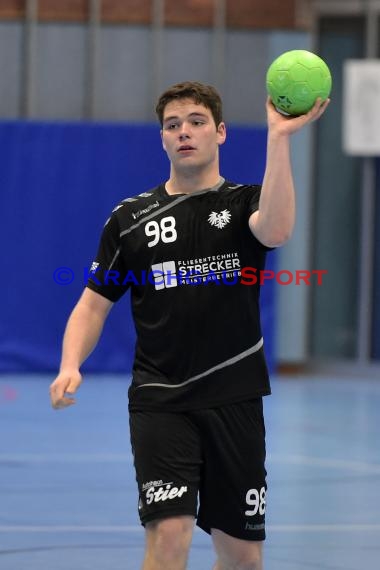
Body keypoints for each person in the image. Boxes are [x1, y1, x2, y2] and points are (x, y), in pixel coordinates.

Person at [50, 81, 329, 570]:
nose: (184, 132)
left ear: (220, 133)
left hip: (235, 398)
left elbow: (278, 229)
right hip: (162, 399)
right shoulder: (131, 219)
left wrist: (280, 137)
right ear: (161, 139)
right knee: (170, 536)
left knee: (243, 558)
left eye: (197, 122)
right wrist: (70, 363)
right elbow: (94, 303)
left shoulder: (246, 204)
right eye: (173, 125)